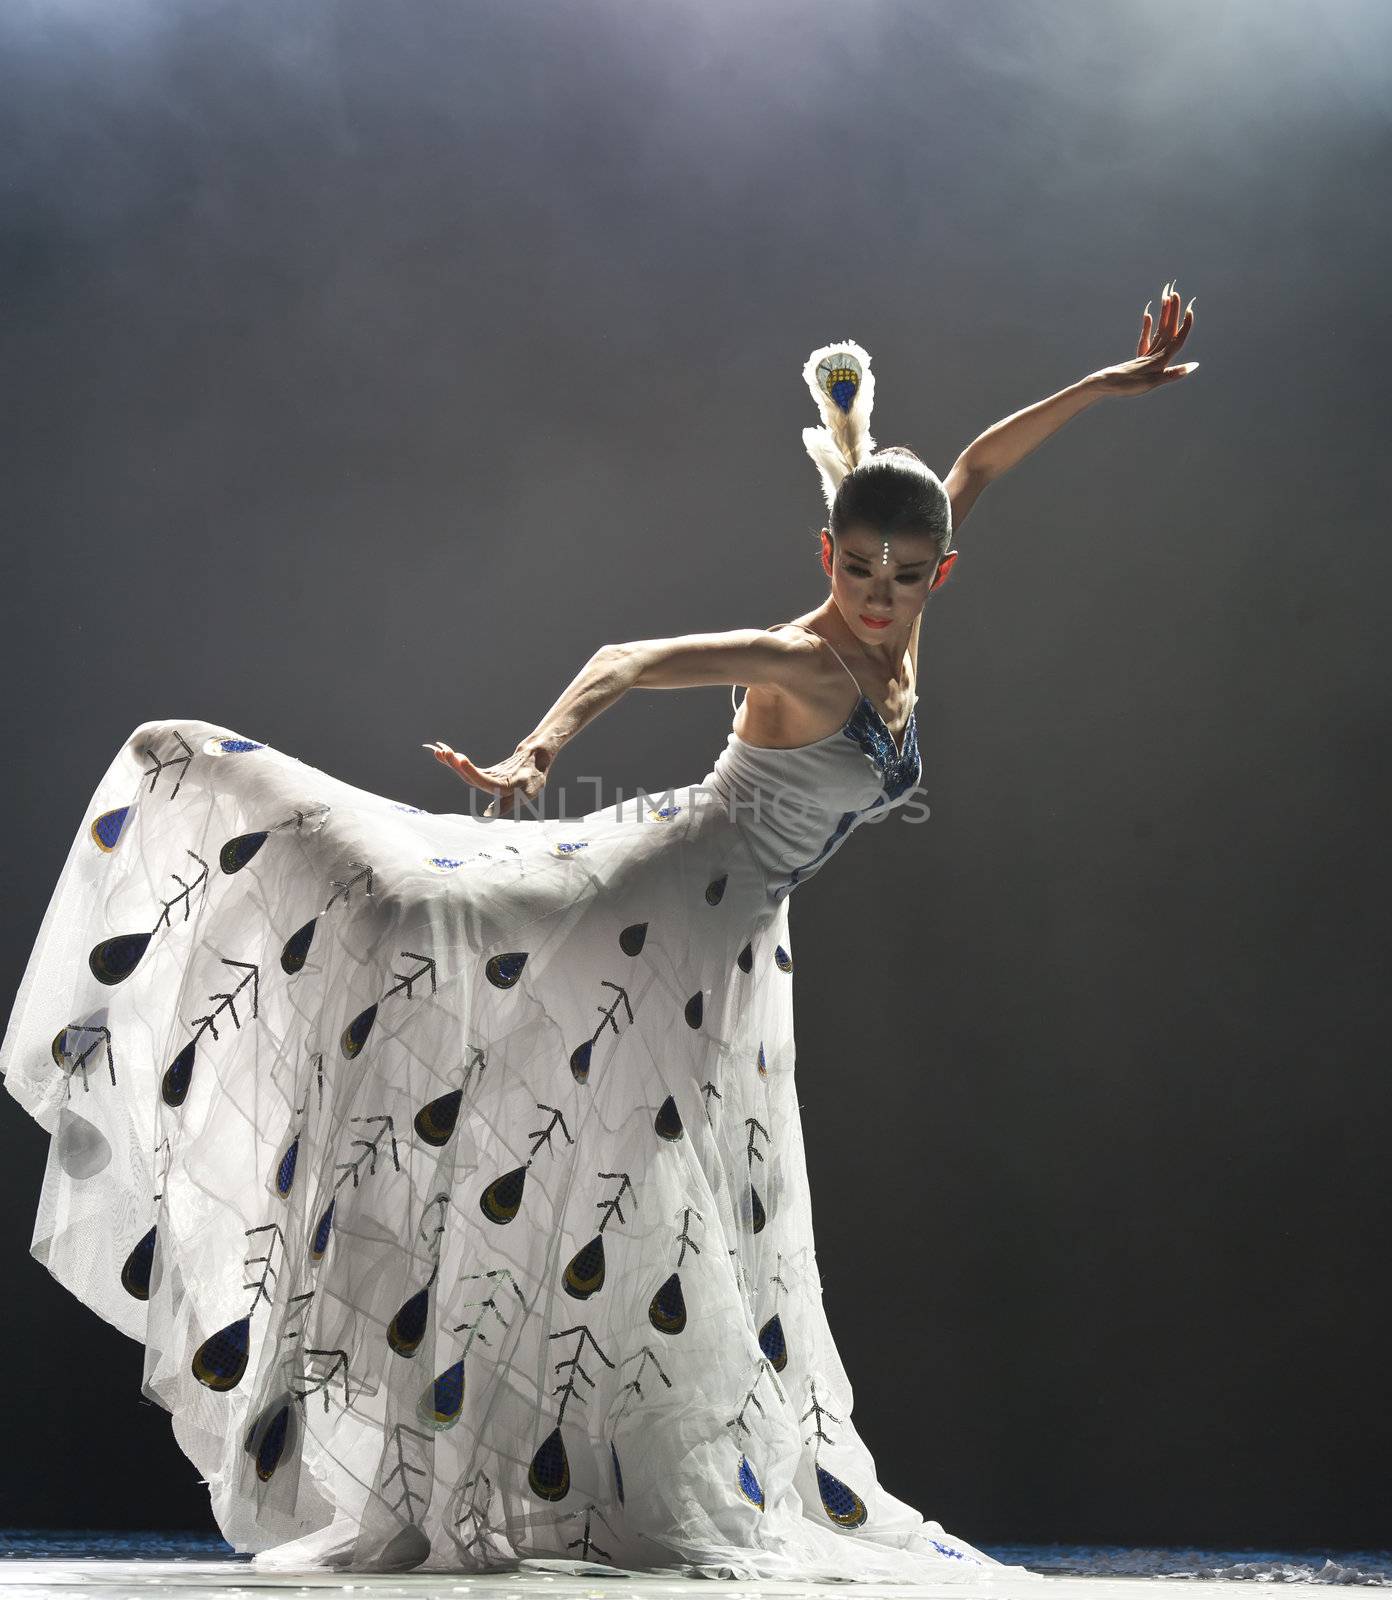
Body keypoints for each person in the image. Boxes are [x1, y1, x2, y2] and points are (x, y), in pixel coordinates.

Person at [0, 290, 1196, 1581]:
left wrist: (1107, 386)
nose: (882, 598)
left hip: (725, 956)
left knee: (632, 1211)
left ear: (940, 571)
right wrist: (534, 754)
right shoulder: (801, 659)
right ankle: (206, 795)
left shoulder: (905, 619)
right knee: (421, 927)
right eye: (859, 572)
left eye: (907, 578)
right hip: (651, 908)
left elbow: (973, 466)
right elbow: (629, 656)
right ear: (825, 558)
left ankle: (587, 1467)